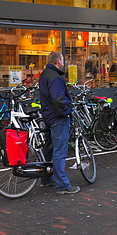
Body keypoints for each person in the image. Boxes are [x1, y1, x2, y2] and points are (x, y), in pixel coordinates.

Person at [39, 51, 81, 195]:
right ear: (58, 61)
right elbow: (58, 99)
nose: (63, 63)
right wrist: (66, 111)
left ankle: (45, 178)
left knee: (49, 149)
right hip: (58, 118)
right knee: (59, 152)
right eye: (63, 60)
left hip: (48, 117)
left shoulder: (44, 74)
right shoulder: (55, 77)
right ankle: (62, 185)